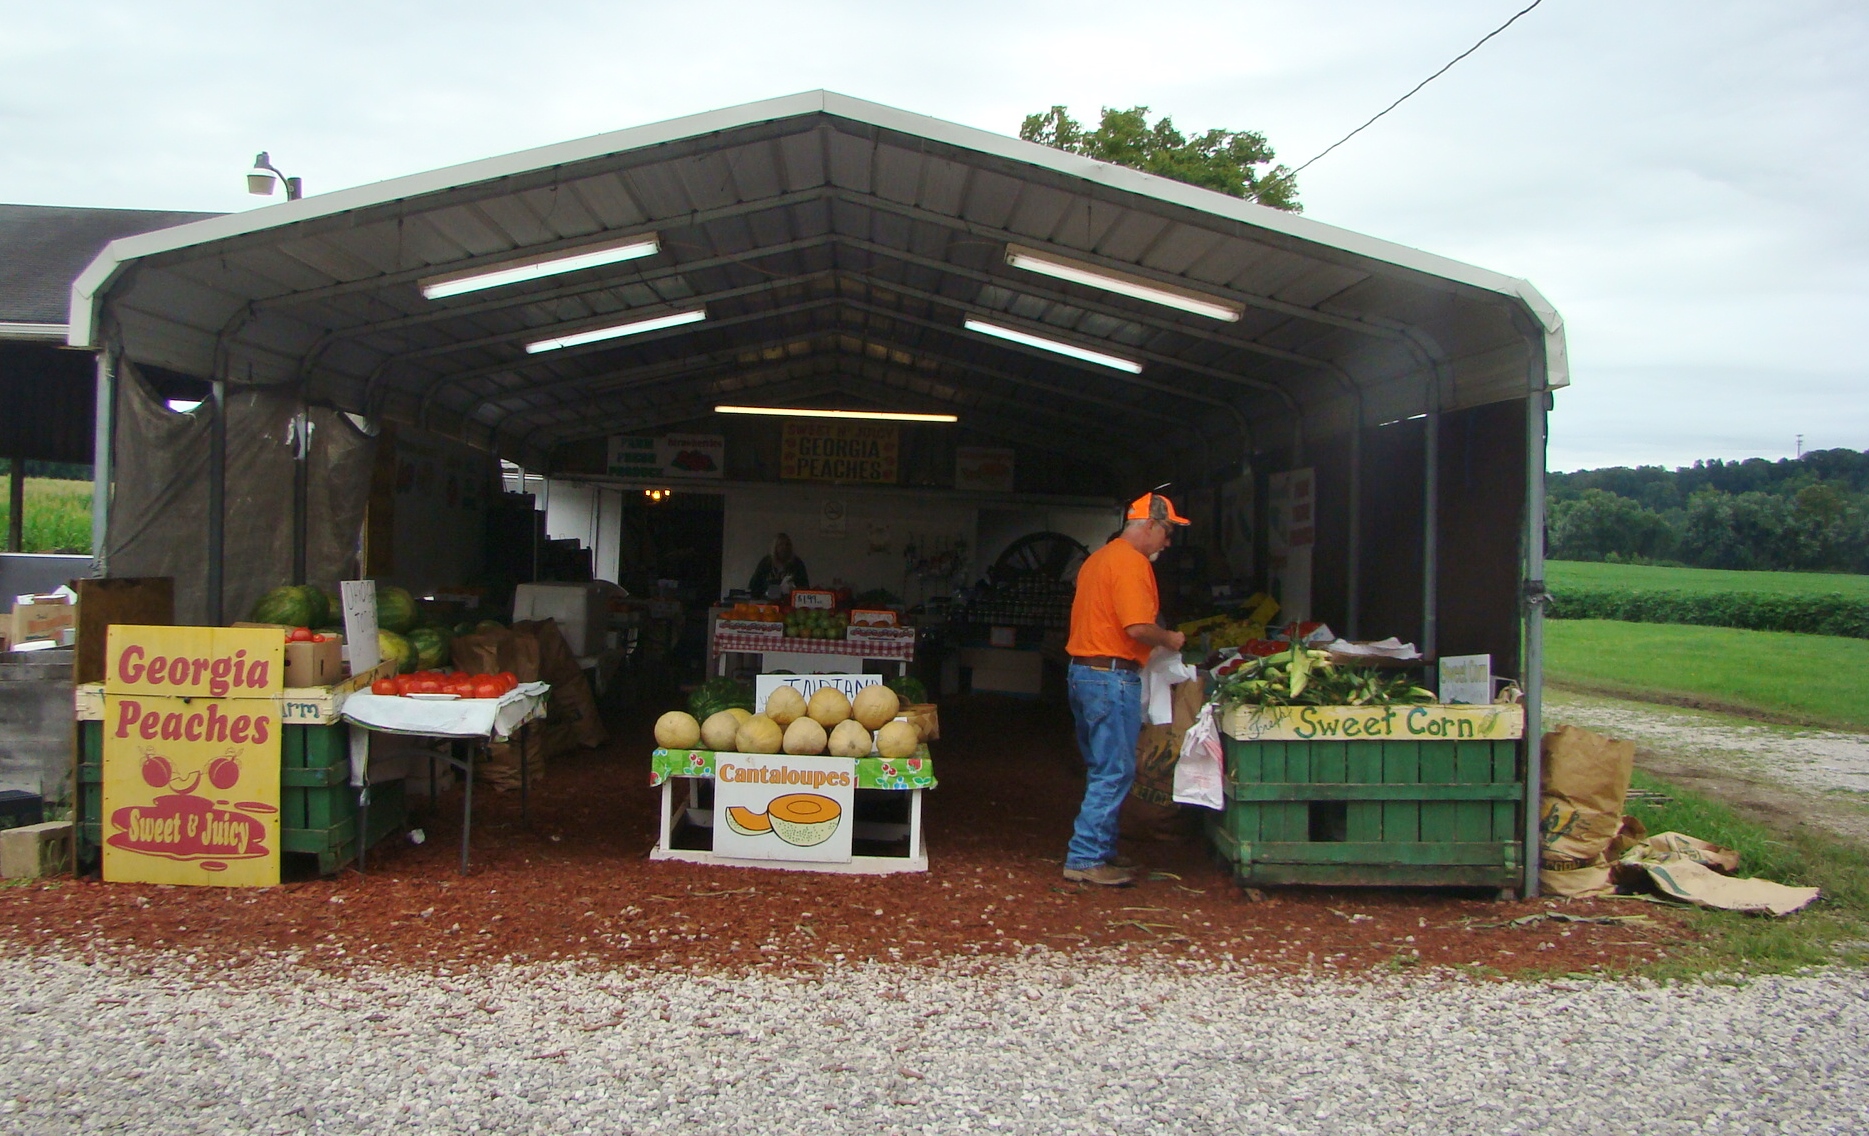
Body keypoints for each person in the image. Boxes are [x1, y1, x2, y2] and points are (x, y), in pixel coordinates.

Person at [1061, 491, 1189, 886]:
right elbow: (1136, 628)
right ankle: (1085, 858)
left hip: (1083, 673)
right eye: (1167, 532)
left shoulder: (1098, 559)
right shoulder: (1132, 564)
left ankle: (1100, 850)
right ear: (1148, 525)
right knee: (1114, 770)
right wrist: (1170, 639)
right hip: (1111, 676)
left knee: (1102, 767)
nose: (1168, 543)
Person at [747, 532, 810, 599]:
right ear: (775, 548)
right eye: (780, 545)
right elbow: (753, 588)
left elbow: (805, 589)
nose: (784, 547)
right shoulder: (765, 563)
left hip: (789, 605)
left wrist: (793, 590)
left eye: (787, 545)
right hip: (767, 605)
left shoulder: (797, 564)